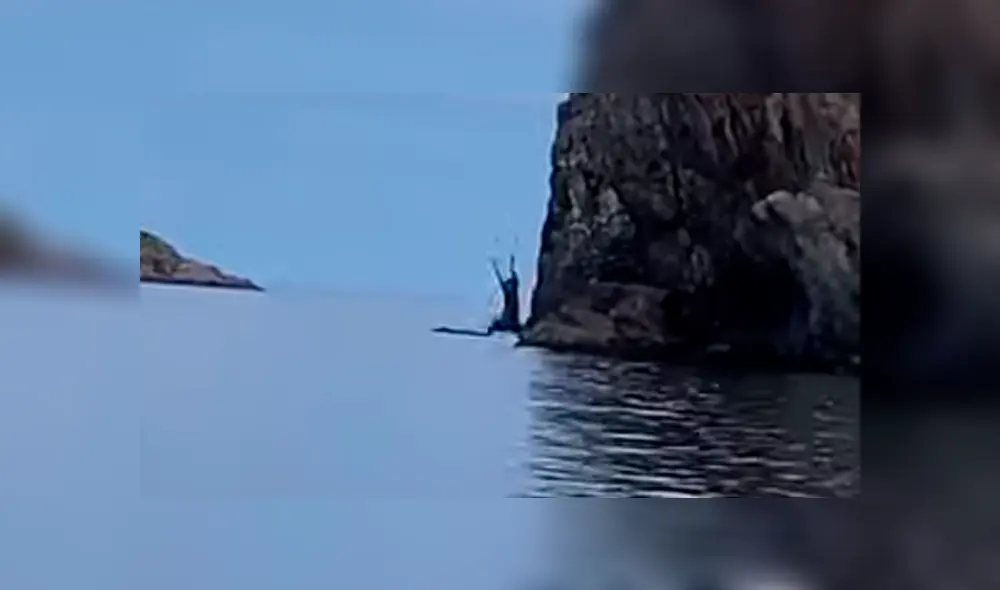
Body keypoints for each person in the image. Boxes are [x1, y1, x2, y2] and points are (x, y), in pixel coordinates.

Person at [487, 254, 521, 334]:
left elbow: (508, 278)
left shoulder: (512, 290)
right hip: (510, 320)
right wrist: (496, 268)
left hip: (509, 321)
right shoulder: (509, 291)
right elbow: (501, 280)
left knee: (501, 323)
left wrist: (511, 265)